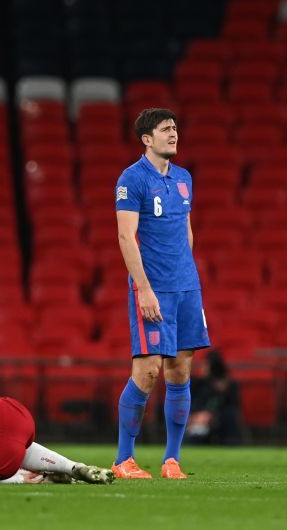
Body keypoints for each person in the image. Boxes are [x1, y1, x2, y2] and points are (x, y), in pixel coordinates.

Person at [112, 108, 210, 480]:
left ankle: (172, 461)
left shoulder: (184, 179)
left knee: (180, 371)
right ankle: (124, 459)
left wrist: (188, 278)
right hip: (153, 289)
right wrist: (144, 288)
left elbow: (186, 231)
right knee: (148, 370)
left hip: (187, 288)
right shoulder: (131, 179)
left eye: (175, 128)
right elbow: (125, 237)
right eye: (165, 129)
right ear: (146, 139)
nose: (174, 134)